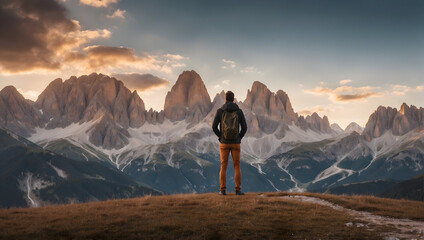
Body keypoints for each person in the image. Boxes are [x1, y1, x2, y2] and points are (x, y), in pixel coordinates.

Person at [212, 91, 247, 195]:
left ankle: (222, 190)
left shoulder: (220, 111)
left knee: (223, 166)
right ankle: (238, 190)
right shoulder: (239, 111)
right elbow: (244, 128)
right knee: (237, 166)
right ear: (234, 99)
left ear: (225, 98)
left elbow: (214, 127)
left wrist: (220, 136)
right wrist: (239, 137)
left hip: (224, 143)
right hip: (236, 143)